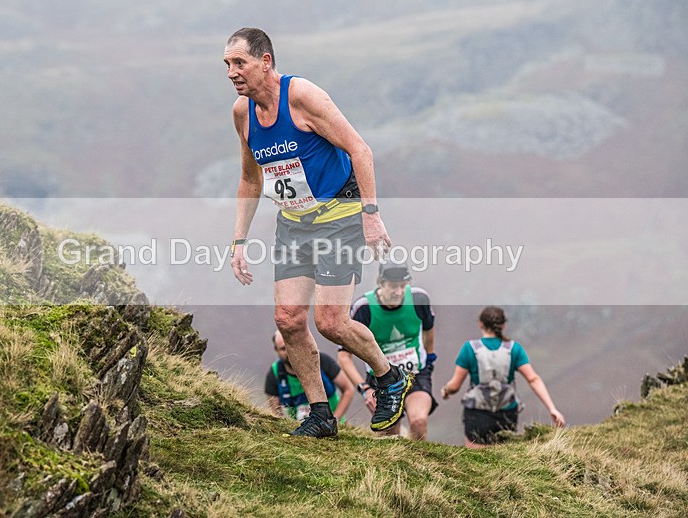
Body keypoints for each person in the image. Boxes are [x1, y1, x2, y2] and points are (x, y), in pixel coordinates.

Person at [224, 27, 412, 438]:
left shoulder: (302, 97)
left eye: (240, 63)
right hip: (293, 222)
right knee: (288, 319)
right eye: (227, 65)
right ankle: (321, 415)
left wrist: (371, 214)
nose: (232, 73)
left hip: (339, 215)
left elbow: (360, 149)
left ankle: (389, 375)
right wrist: (239, 240)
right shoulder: (243, 113)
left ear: (266, 62)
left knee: (330, 321)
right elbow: (250, 178)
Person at [338, 261, 437, 440]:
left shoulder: (419, 299)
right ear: (380, 282)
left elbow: (429, 332)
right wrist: (365, 388)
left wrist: (429, 361)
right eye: (393, 286)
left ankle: (420, 464)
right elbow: (344, 357)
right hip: (382, 381)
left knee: (419, 421)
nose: (398, 292)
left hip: (415, 373)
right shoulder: (363, 308)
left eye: (402, 286)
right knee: (390, 431)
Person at [440, 306, 566, 448]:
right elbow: (533, 379)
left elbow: (455, 385)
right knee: (504, 462)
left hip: (477, 414)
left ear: (480, 323)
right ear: (503, 325)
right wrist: (552, 409)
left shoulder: (469, 348)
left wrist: (446, 390)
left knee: (475, 462)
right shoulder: (514, 349)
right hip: (507, 414)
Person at [265, 330, 354, 423]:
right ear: (276, 349)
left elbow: (348, 390)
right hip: (302, 431)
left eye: (291, 346)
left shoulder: (320, 360)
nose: (289, 352)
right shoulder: (275, 374)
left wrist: (334, 421)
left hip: (335, 427)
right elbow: (275, 413)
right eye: (283, 348)